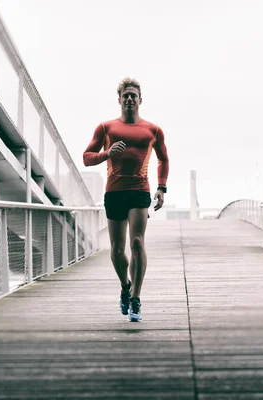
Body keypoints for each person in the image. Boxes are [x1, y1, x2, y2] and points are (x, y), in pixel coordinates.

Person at [83, 78, 169, 322]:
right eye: (126, 95)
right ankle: (125, 285)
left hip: (139, 190)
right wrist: (107, 153)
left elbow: (164, 159)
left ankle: (136, 298)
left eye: (134, 95)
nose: (130, 99)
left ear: (140, 100)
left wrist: (162, 188)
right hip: (114, 192)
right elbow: (87, 157)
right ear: (119, 100)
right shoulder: (106, 128)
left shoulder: (153, 131)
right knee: (118, 251)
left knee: (137, 244)